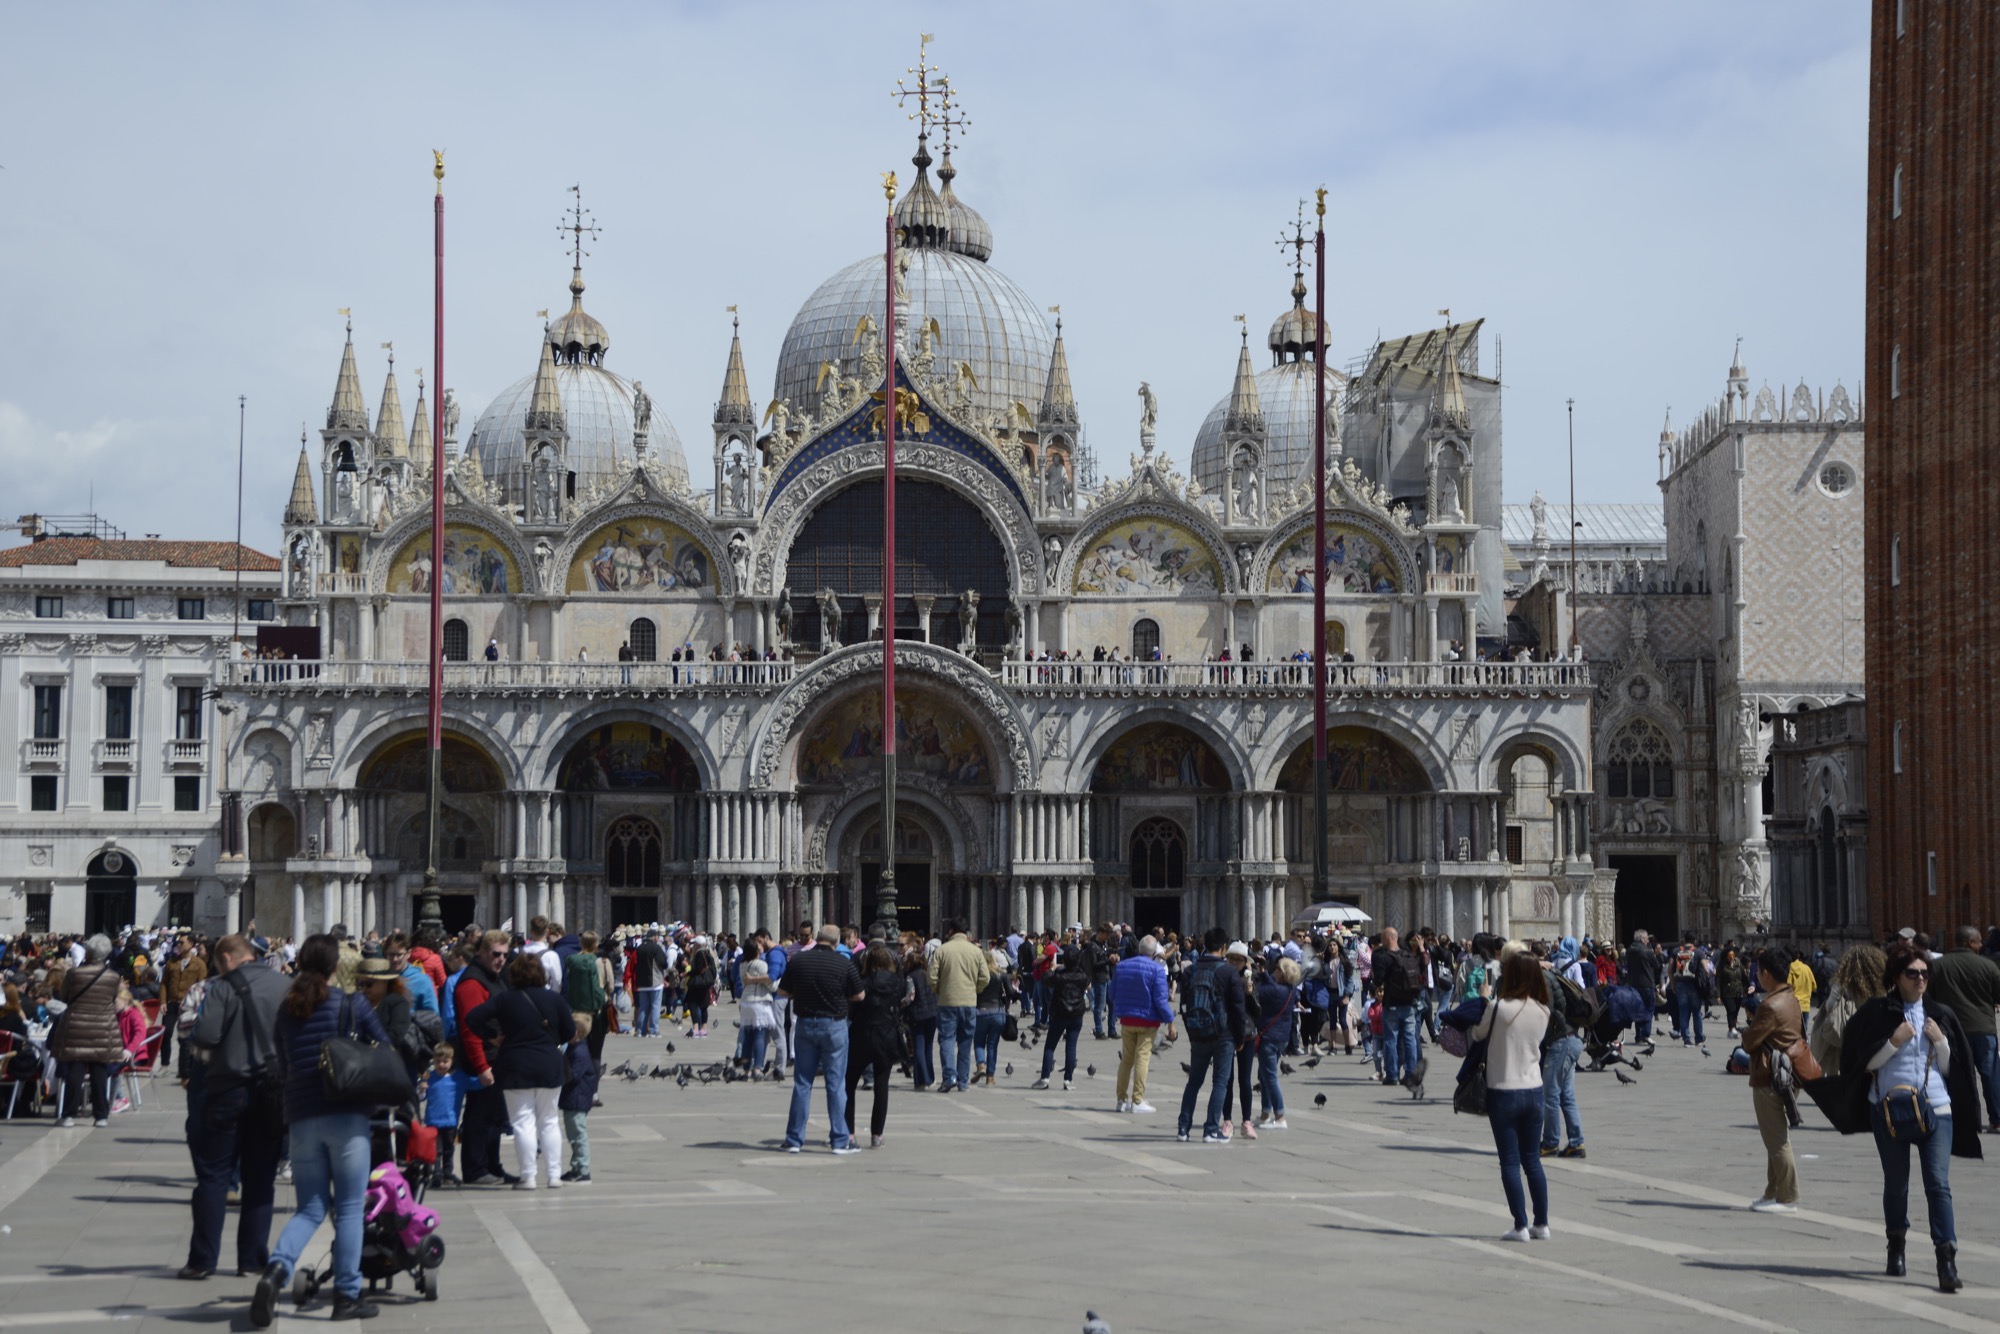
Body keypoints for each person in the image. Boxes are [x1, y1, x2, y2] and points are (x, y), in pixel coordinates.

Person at [252, 934, 392, 1326]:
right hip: (346, 1115)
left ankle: (276, 1271)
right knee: (348, 1209)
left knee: (310, 1209)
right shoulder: (352, 1003)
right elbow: (385, 1050)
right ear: (335, 966)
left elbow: (282, 1064)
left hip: (301, 1118)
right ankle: (347, 1294)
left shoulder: (288, 1009)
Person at [1834, 941, 1984, 1291]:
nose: (1920, 979)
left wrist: (1941, 1043)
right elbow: (1864, 1063)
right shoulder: (1877, 1011)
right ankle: (1896, 1246)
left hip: (1936, 1108)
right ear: (1897, 976)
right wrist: (1894, 1042)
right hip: (1889, 1109)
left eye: (1924, 973)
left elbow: (1953, 1070)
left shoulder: (1940, 1014)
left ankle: (1946, 1259)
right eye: (1912, 973)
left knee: (1938, 1184)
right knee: (1896, 1184)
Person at [182, 933, 287, 1281]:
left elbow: (205, 1035)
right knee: (261, 1178)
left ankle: (202, 1261)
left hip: (228, 1088)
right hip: (271, 1093)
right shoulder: (284, 985)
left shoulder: (222, 988)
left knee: (213, 1176)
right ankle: (253, 1260)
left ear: (227, 958)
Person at [464, 951, 575, 1190]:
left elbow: (473, 1018)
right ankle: (554, 1175)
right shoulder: (554, 999)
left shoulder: (505, 999)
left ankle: (528, 1177)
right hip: (548, 1063)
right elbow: (569, 1031)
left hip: (515, 1064)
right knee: (549, 1121)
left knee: (523, 1122)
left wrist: (492, 1036)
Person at [1471, 950, 1553, 1241]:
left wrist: (1483, 999)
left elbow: (1477, 1034)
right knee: (1533, 1161)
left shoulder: (1499, 1007)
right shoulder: (1543, 1010)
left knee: (1509, 1162)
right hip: (1534, 1090)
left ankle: (1520, 1226)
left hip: (1504, 1090)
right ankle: (1541, 1224)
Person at [777, 924, 864, 1154]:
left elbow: (783, 991)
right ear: (837, 942)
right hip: (834, 1025)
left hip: (805, 1024)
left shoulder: (798, 961)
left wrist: (802, 992)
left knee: (802, 1083)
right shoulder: (844, 963)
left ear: (816, 938)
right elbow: (860, 995)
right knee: (835, 1084)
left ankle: (793, 1140)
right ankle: (840, 1140)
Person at [1740, 948, 1804, 1213]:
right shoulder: (1791, 998)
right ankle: (1773, 1191)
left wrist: (1748, 1029)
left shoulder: (1770, 1005)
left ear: (1765, 974)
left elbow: (1749, 1041)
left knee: (1777, 1141)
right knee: (1774, 1137)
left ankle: (1787, 1197)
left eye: (1758, 971)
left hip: (1770, 1076)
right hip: (1789, 1073)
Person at [450, 930, 515, 1187]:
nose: (501, 960)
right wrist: (481, 1066)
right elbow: (470, 1029)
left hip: (497, 1058)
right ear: (482, 952)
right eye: (496, 954)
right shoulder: (472, 983)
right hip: (482, 1060)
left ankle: (492, 1165)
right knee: (479, 1116)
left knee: (494, 1116)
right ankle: (475, 1168)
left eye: (505, 955)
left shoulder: (494, 977)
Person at [1926, 925, 2000, 1134]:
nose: (1982, 944)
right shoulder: (1988, 966)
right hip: (1983, 1029)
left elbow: (1929, 997)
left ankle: (1966, 1120)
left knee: (1960, 1076)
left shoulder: (1938, 966)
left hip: (1952, 1030)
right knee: (1991, 1075)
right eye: (1979, 941)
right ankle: (1997, 1119)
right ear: (1970, 942)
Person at [1176, 927, 1247, 1143]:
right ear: (1223, 948)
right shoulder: (1229, 972)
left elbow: (1184, 1005)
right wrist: (1240, 1038)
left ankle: (1183, 1128)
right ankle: (1210, 1129)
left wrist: (1191, 1031)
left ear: (1205, 945)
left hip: (1198, 1033)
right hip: (1223, 1035)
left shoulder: (1190, 970)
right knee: (1220, 1082)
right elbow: (1238, 1009)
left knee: (1194, 1082)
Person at [52, 933, 124, 1127]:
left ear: (89, 953)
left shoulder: (74, 974)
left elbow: (64, 996)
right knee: (99, 1071)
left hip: (77, 1025)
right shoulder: (113, 977)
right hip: (103, 1026)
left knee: (75, 1071)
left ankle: (69, 1115)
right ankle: (101, 1115)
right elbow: (112, 998)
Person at [845, 944, 906, 1149]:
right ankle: (877, 1135)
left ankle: (849, 1134)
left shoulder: (863, 982)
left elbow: (852, 1008)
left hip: (862, 1034)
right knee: (881, 1085)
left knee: (849, 1085)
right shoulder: (896, 983)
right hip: (886, 1036)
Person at [1111, 934, 1176, 1114]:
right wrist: (1170, 1021)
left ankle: (1121, 1100)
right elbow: (1161, 1000)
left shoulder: (1121, 967)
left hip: (1127, 1019)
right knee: (1142, 1059)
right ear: (1154, 953)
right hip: (1148, 1021)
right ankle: (1137, 1100)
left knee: (1126, 1060)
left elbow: (1111, 993)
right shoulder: (1156, 970)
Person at [928, 918, 991, 1093]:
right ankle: (963, 1082)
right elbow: (985, 977)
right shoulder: (976, 951)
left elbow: (931, 977)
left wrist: (940, 989)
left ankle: (949, 1077)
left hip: (947, 1002)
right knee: (965, 1042)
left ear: (951, 931)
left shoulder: (942, 950)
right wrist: (975, 989)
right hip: (969, 1002)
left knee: (947, 1040)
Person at [1808, 942, 1887, 1079]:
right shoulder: (1881, 987)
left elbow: (1830, 1006)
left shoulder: (1842, 983)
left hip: (1843, 1037)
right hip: (1869, 1039)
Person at [419, 1043, 476, 1188]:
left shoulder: (458, 1078)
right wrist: (422, 1090)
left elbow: (474, 1083)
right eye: (438, 1061)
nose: (441, 1065)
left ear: (452, 1061)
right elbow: (421, 1098)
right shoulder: (429, 1077)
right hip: (433, 1122)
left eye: (445, 1061)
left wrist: (488, 1078)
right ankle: (436, 1174)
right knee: (436, 1150)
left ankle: (447, 1173)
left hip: (450, 1122)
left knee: (449, 1150)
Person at [1033, 945, 1090, 1091]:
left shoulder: (1059, 976)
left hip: (1060, 1013)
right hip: (1076, 1014)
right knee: (1071, 1046)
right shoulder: (1082, 976)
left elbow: (1046, 979)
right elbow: (1087, 985)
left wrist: (1052, 968)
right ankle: (1068, 1080)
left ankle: (1045, 1078)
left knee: (1050, 1046)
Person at [1253, 957, 1299, 1131]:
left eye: (1277, 969)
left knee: (1270, 1077)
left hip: (1270, 1037)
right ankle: (1265, 1114)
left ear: (1281, 973)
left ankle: (1280, 1116)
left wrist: (1256, 975)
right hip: (1281, 1038)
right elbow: (1270, 984)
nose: (1274, 971)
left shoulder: (1275, 991)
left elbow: (1259, 991)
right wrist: (1263, 971)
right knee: (1264, 1075)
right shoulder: (1290, 989)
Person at [559, 1012, 598, 1183]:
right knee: (574, 1135)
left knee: (577, 1135)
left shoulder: (579, 1052)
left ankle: (582, 1169)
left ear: (576, 1032)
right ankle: (576, 1167)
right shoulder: (576, 1048)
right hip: (575, 1099)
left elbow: (573, 1075)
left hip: (577, 1099)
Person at [160, 935, 208, 1067]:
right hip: (172, 1003)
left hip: (188, 1005)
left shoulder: (199, 963)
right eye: (178, 942)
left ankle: (184, 1069)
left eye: (182, 942)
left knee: (185, 1037)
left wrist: (199, 1005)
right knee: (166, 1033)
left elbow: (202, 985)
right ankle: (164, 1063)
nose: (179, 945)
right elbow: (164, 983)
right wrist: (163, 1001)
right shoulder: (172, 962)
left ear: (191, 944)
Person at [564, 931, 609, 1068]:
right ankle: (593, 1079)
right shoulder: (601, 961)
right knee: (595, 1052)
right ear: (596, 944)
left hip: (576, 1011)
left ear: (581, 943)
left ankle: (577, 1075)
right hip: (596, 1011)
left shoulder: (572, 960)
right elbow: (609, 985)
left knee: (577, 1046)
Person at [973, 946, 1012, 1087]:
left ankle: (981, 1065)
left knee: (978, 1042)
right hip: (997, 1011)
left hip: (980, 1012)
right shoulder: (1001, 974)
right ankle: (990, 1077)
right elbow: (1010, 992)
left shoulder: (977, 975)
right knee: (992, 1045)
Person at [902, 951, 940, 1089]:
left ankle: (922, 1080)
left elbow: (910, 997)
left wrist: (900, 1004)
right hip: (932, 1014)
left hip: (917, 1015)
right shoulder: (928, 974)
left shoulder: (910, 977)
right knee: (928, 1047)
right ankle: (930, 1078)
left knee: (918, 1047)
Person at [631, 928, 670, 1038]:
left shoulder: (639, 948)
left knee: (643, 1007)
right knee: (655, 1006)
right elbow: (664, 963)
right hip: (655, 981)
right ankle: (653, 1030)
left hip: (641, 982)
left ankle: (640, 1030)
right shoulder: (656, 948)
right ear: (655, 937)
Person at [1716, 944, 1749, 1038]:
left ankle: (1732, 1028)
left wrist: (1747, 988)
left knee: (1735, 1011)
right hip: (1727, 992)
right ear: (1726, 956)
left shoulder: (1738, 963)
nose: (1731, 957)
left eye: (1733, 955)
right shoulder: (1722, 966)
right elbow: (1718, 981)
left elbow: (1744, 977)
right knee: (1731, 1010)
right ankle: (1732, 1029)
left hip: (1738, 990)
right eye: (1729, 956)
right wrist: (1718, 995)